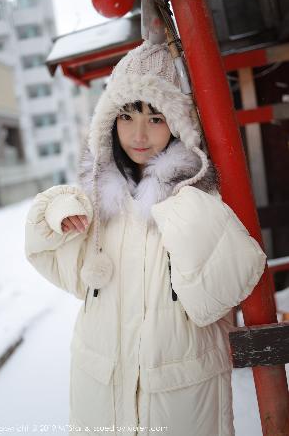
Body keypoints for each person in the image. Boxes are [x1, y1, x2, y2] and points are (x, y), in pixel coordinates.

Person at [25, 41, 267, 436]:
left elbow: (223, 291)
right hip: (101, 397)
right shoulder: (98, 206)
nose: (138, 134)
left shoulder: (196, 199)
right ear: (109, 122)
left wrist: (181, 211)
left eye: (155, 118)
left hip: (179, 403)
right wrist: (57, 211)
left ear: (177, 124)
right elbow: (48, 256)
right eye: (126, 115)